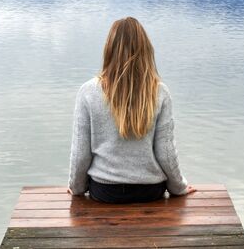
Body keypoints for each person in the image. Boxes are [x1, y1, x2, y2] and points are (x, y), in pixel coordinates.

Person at [67, 16, 196, 204]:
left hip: (104, 191)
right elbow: (165, 152)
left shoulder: (88, 92)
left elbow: (81, 153)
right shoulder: (159, 92)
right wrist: (179, 187)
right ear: (145, 49)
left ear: (109, 49)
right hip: (150, 192)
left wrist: (77, 188)